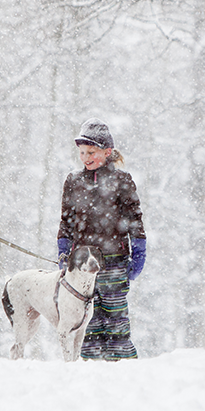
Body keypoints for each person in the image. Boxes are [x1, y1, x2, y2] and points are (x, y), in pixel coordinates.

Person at [56, 118, 147, 360]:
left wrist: (138, 253)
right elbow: (66, 220)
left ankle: (120, 362)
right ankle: (91, 362)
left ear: (107, 152)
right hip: (82, 265)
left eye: (91, 152)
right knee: (87, 316)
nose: (85, 157)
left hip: (114, 260)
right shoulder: (74, 181)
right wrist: (63, 251)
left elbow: (134, 220)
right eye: (82, 152)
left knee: (115, 312)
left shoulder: (121, 180)